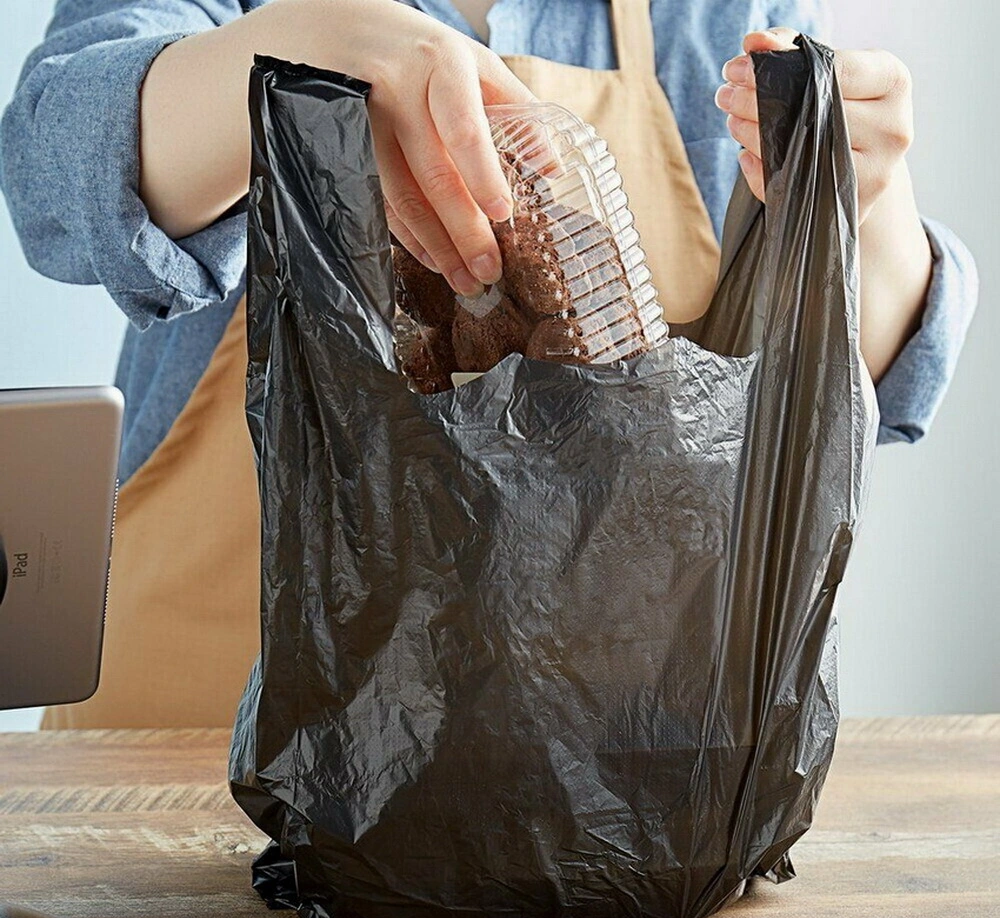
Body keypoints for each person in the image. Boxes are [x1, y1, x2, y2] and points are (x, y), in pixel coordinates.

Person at [0, 0, 977, 728]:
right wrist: (296, 49)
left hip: (599, 787)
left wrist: (868, 189)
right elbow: (51, 158)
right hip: (188, 780)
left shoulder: (705, 18)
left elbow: (844, 390)